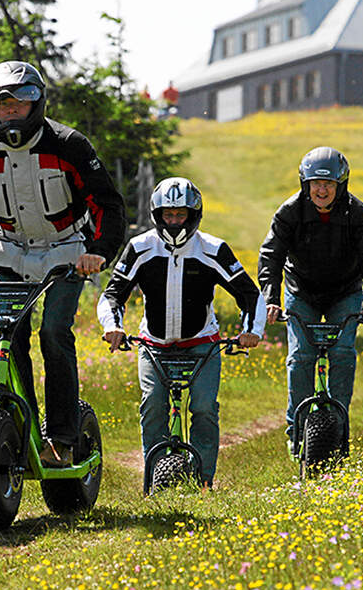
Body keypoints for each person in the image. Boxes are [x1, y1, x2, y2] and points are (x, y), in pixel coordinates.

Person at [0, 60, 127, 467]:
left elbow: (107, 204)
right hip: (10, 253)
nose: (11, 111)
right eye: (3, 106)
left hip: (67, 253)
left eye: (20, 102)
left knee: (54, 332)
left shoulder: (69, 145)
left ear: (37, 103)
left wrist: (99, 252)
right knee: (9, 338)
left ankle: (64, 439)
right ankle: (24, 431)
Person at [98, 177, 265, 488]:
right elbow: (112, 294)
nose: (174, 222)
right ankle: (154, 477)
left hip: (202, 344)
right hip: (153, 344)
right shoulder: (140, 248)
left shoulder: (213, 249)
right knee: (152, 406)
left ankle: (203, 480)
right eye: (167, 215)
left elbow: (250, 295)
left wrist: (251, 331)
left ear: (194, 214)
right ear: (157, 215)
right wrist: (113, 327)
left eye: (181, 215)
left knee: (203, 408)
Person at [257, 146, 363, 459]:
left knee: (342, 353)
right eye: (316, 182)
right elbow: (270, 256)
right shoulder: (289, 212)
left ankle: (339, 426)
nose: (322, 189)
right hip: (301, 291)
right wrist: (271, 300)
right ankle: (296, 429)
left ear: (341, 185)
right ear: (305, 183)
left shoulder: (357, 212)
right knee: (301, 356)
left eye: (329, 184)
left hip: (346, 291)